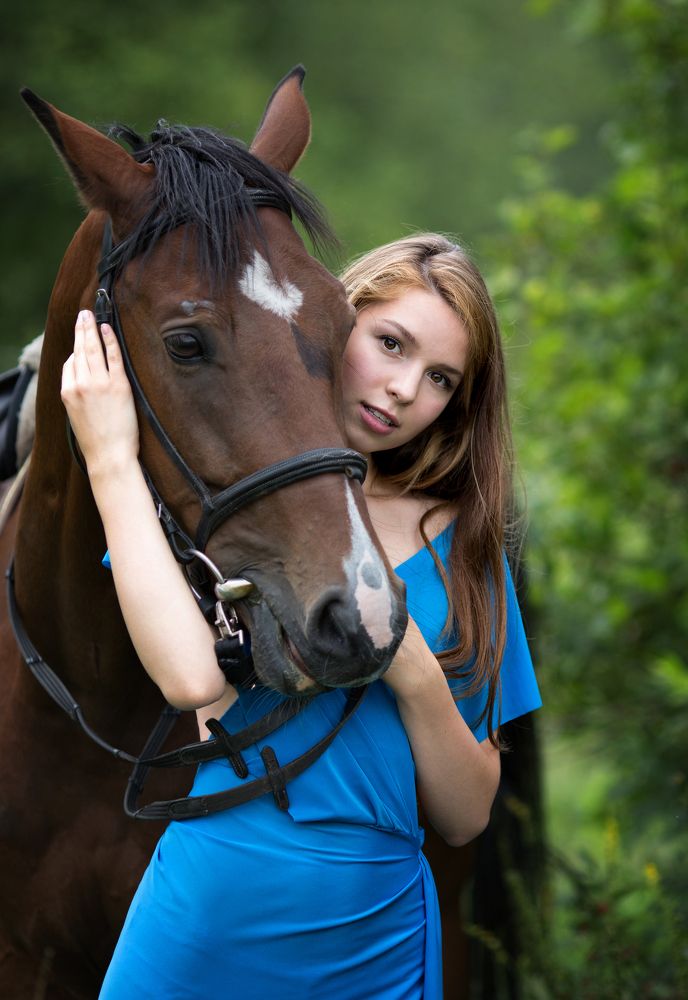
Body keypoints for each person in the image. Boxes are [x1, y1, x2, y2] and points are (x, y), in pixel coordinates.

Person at [61, 232, 541, 999]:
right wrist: (111, 459)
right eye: (390, 344)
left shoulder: (463, 545)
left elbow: (465, 816)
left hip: (370, 933)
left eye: (440, 378)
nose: (403, 389)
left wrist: (413, 672)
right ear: (330, 320)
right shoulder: (224, 502)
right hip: (207, 911)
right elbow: (191, 679)